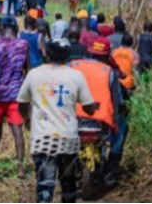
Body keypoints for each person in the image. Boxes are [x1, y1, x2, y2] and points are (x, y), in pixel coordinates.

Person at [17, 38, 97, 204]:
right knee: (68, 185)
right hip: (68, 139)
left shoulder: (34, 74)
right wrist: (94, 106)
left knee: (45, 187)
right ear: (68, 55)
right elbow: (89, 107)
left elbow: (22, 103)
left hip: (43, 139)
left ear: (46, 52)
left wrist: (27, 120)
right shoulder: (76, 76)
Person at [74, 37, 128, 188]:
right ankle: (113, 165)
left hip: (75, 118)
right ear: (106, 55)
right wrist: (117, 119)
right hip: (99, 120)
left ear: (90, 52)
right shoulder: (109, 72)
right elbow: (117, 101)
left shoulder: (74, 66)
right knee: (122, 127)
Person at [0, 19, 32, 176]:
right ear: (16, 29)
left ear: (2, 29)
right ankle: (20, 168)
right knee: (17, 131)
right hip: (16, 95)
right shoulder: (24, 45)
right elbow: (28, 70)